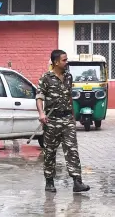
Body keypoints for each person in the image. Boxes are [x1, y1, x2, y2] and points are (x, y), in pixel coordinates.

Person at [36, 49, 90, 193]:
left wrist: (73, 116)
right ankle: (49, 181)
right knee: (50, 152)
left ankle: (77, 181)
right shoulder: (45, 78)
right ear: (55, 62)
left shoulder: (68, 77)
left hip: (67, 120)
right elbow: (39, 97)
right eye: (64, 60)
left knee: (72, 150)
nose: (67, 62)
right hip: (52, 120)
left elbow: (70, 98)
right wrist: (41, 113)